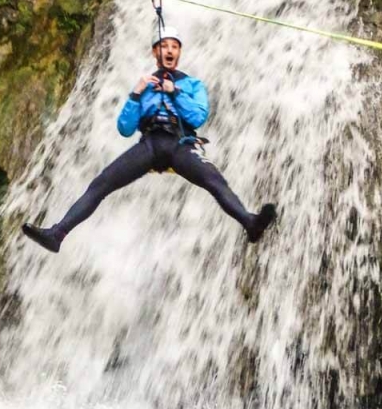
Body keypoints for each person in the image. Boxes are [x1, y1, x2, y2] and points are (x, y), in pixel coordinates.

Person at [22, 26, 276, 253]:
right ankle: (58, 234)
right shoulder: (144, 86)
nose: (169, 50)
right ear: (155, 52)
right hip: (150, 146)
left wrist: (174, 91)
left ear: (179, 53)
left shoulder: (192, 84)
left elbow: (198, 117)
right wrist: (135, 94)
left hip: (181, 145)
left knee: (215, 181)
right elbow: (125, 128)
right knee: (100, 184)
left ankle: (250, 223)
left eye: (174, 47)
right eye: (164, 46)